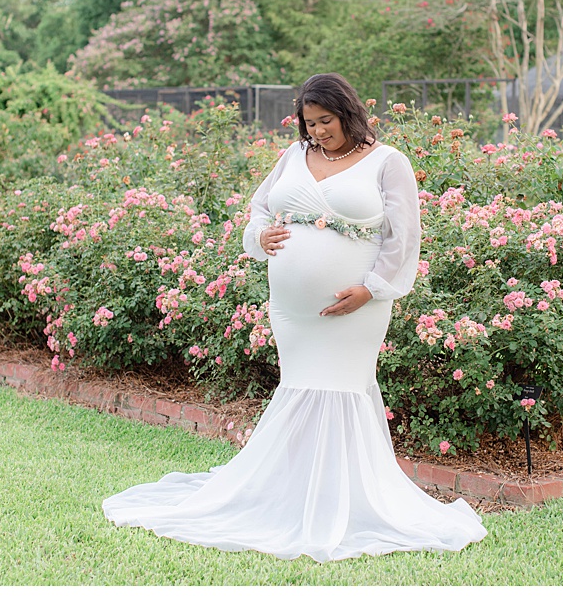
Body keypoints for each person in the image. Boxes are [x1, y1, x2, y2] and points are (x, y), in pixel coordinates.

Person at [103, 73, 486, 561]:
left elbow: (403, 238)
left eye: (325, 121)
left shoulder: (390, 162)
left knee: (342, 390)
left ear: (348, 113)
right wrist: (261, 236)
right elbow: (259, 207)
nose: (318, 131)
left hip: (357, 309)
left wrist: (369, 290)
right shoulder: (293, 156)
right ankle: (291, 497)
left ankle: (344, 504)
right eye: (310, 123)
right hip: (291, 310)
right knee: (299, 388)